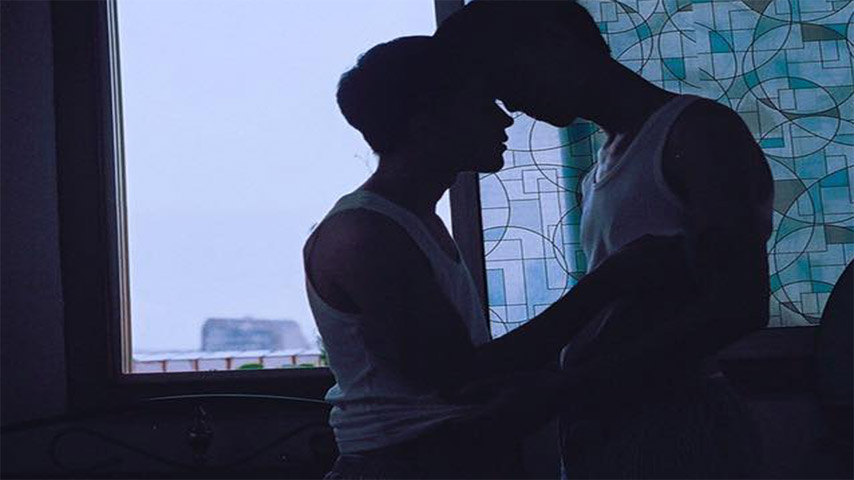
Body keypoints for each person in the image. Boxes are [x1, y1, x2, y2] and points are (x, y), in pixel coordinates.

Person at [303, 35, 693, 479]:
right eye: (480, 104)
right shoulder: (366, 234)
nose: (504, 118)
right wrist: (607, 283)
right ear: (426, 125)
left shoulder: (408, 221)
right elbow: (455, 373)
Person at [435, 1, 774, 478]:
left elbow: (738, 304)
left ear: (555, 41)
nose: (511, 104)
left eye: (508, 79)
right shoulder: (602, 168)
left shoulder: (697, 133)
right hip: (614, 420)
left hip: (673, 421)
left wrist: (563, 389)